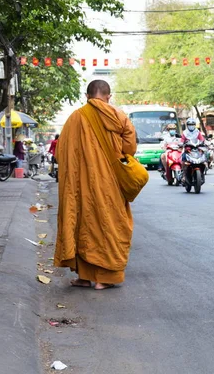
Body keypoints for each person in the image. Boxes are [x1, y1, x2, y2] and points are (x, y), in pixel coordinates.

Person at [54, 80, 137, 290]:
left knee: (81, 224)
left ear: (87, 96)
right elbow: (130, 148)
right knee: (109, 225)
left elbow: (60, 153)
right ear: (108, 96)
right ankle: (103, 279)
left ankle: (84, 276)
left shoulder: (75, 118)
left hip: (79, 186)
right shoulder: (118, 116)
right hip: (110, 184)